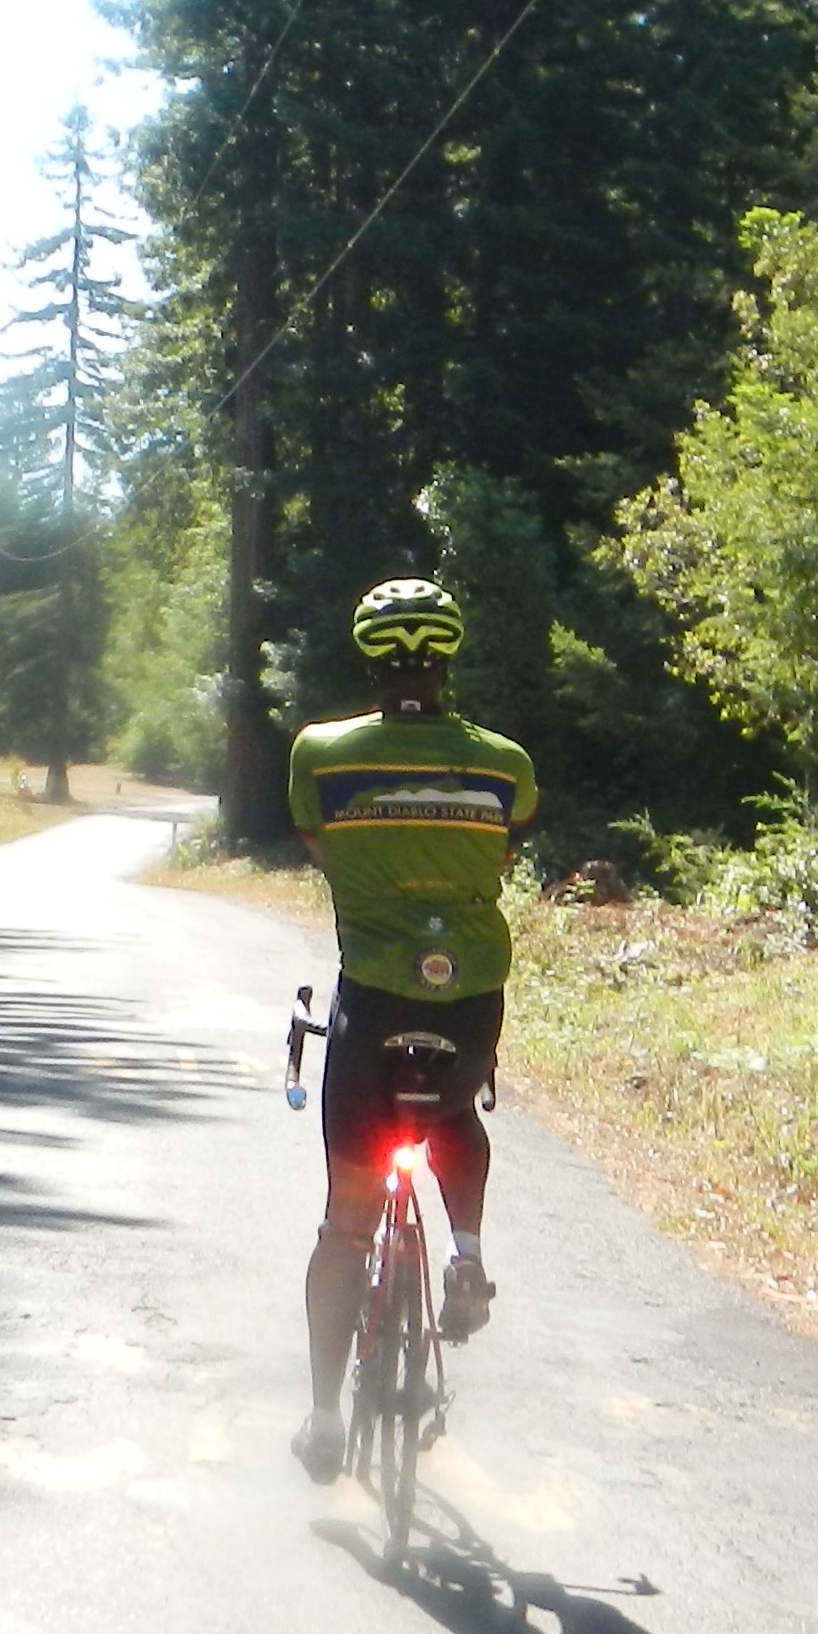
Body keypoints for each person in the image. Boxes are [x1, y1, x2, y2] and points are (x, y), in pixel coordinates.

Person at [284, 573, 538, 1483]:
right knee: (453, 1114)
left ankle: (321, 1418)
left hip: (375, 998)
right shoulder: (505, 762)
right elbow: (507, 847)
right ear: (452, 654)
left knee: (346, 1219)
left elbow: (320, 846)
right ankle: (466, 1253)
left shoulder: (321, 752)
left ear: (367, 657)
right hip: (469, 995)